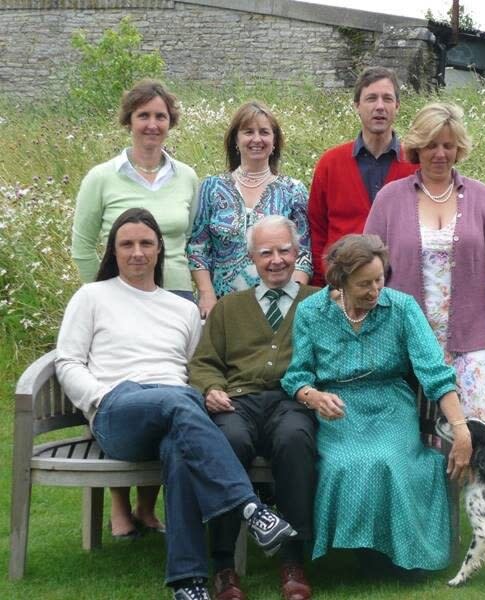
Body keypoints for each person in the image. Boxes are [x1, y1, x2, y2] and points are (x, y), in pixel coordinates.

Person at [56, 208, 297, 600]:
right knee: (179, 400)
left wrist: (206, 390)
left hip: (174, 416)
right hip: (118, 411)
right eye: (127, 244)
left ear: (159, 250)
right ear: (113, 252)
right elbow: (67, 361)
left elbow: (195, 369)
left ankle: (188, 581)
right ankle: (252, 508)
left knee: (182, 447)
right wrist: (100, 398)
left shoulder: (182, 309)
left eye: (146, 243)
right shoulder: (92, 296)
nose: (137, 252)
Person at [281, 234, 472, 571]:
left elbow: (435, 373)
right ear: (340, 281)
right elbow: (297, 375)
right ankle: (360, 549)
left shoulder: (402, 308)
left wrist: (460, 428)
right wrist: (314, 397)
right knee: (341, 464)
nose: (374, 291)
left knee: (384, 459)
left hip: (390, 404)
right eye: (363, 284)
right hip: (338, 409)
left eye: (379, 280)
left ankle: (397, 554)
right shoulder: (312, 311)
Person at [70, 79, 199, 540]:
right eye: (143, 115)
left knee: (165, 386)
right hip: (119, 299)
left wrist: (198, 296)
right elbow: (84, 244)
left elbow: (192, 241)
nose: (152, 124)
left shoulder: (186, 177)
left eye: (160, 116)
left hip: (178, 299)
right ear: (129, 120)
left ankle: (148, 506)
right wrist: (108, 292)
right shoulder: (102, 177)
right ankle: (121, 505)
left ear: (170, 122)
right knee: (127, 384)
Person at [364, 103, 485, 455]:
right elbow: (369, 267)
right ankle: (431, 509)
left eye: (448, 146)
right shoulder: (390, 199)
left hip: (475, 339)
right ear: (417, 146)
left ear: (459, 149)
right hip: (410, 339)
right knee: (422, 443)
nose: (440, 154)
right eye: (432, 144)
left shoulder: (484, 199)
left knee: (481, 443)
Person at [189, 215, 318, 600]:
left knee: (295, 440)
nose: (276, 259)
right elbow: (203, 361)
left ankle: (293, 559)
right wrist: (211, 388)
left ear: (297, 253)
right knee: (228, 442)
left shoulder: (319, 304)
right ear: (252, 259)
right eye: (265, 253)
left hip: (291, 400)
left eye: (284, 250)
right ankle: (224, 565)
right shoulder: (229, 307)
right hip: (238, 401)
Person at [188, 100, 312, 318]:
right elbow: (198, 248)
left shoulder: (293, 190)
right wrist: (206, 294)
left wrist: (290, 301)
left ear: (274, 142)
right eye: (248, 132)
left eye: (264, 132)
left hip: (278, 307)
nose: (257, 139)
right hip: (221, 306)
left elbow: (303, 253)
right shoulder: (211, 188)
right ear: (236, 139)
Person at [307, 66, 416, 286]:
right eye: (371, 98)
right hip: (340, 288)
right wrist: (324, 284)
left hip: (397, 290)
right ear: (357, 105)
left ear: (397, 106)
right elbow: (316, 230)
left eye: (387, 98)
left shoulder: (414, 166)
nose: (379, 107)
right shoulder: (330, 163)